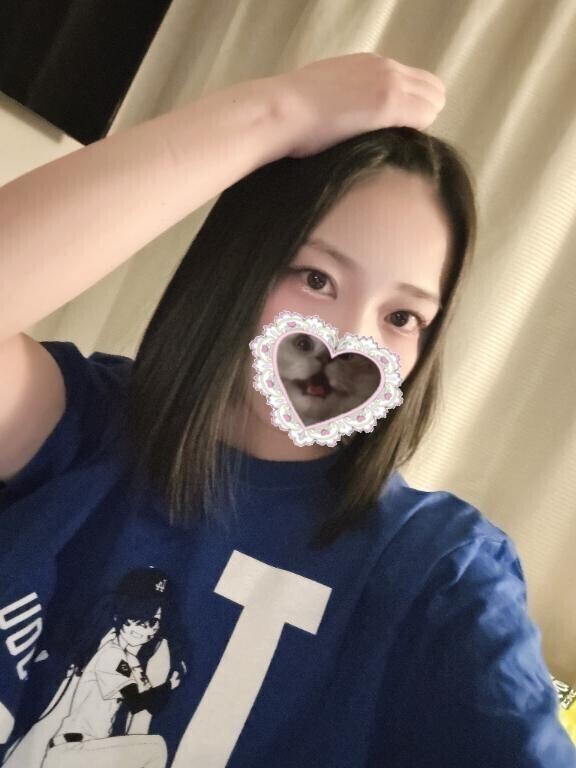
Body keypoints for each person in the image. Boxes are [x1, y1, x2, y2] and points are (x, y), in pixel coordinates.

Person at [0, 53, 573, 768]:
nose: (350, 341)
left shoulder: (441, 574)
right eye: (316, 277)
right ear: (243, 263)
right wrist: (278, 112)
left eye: (401, 316)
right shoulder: (78, 425)